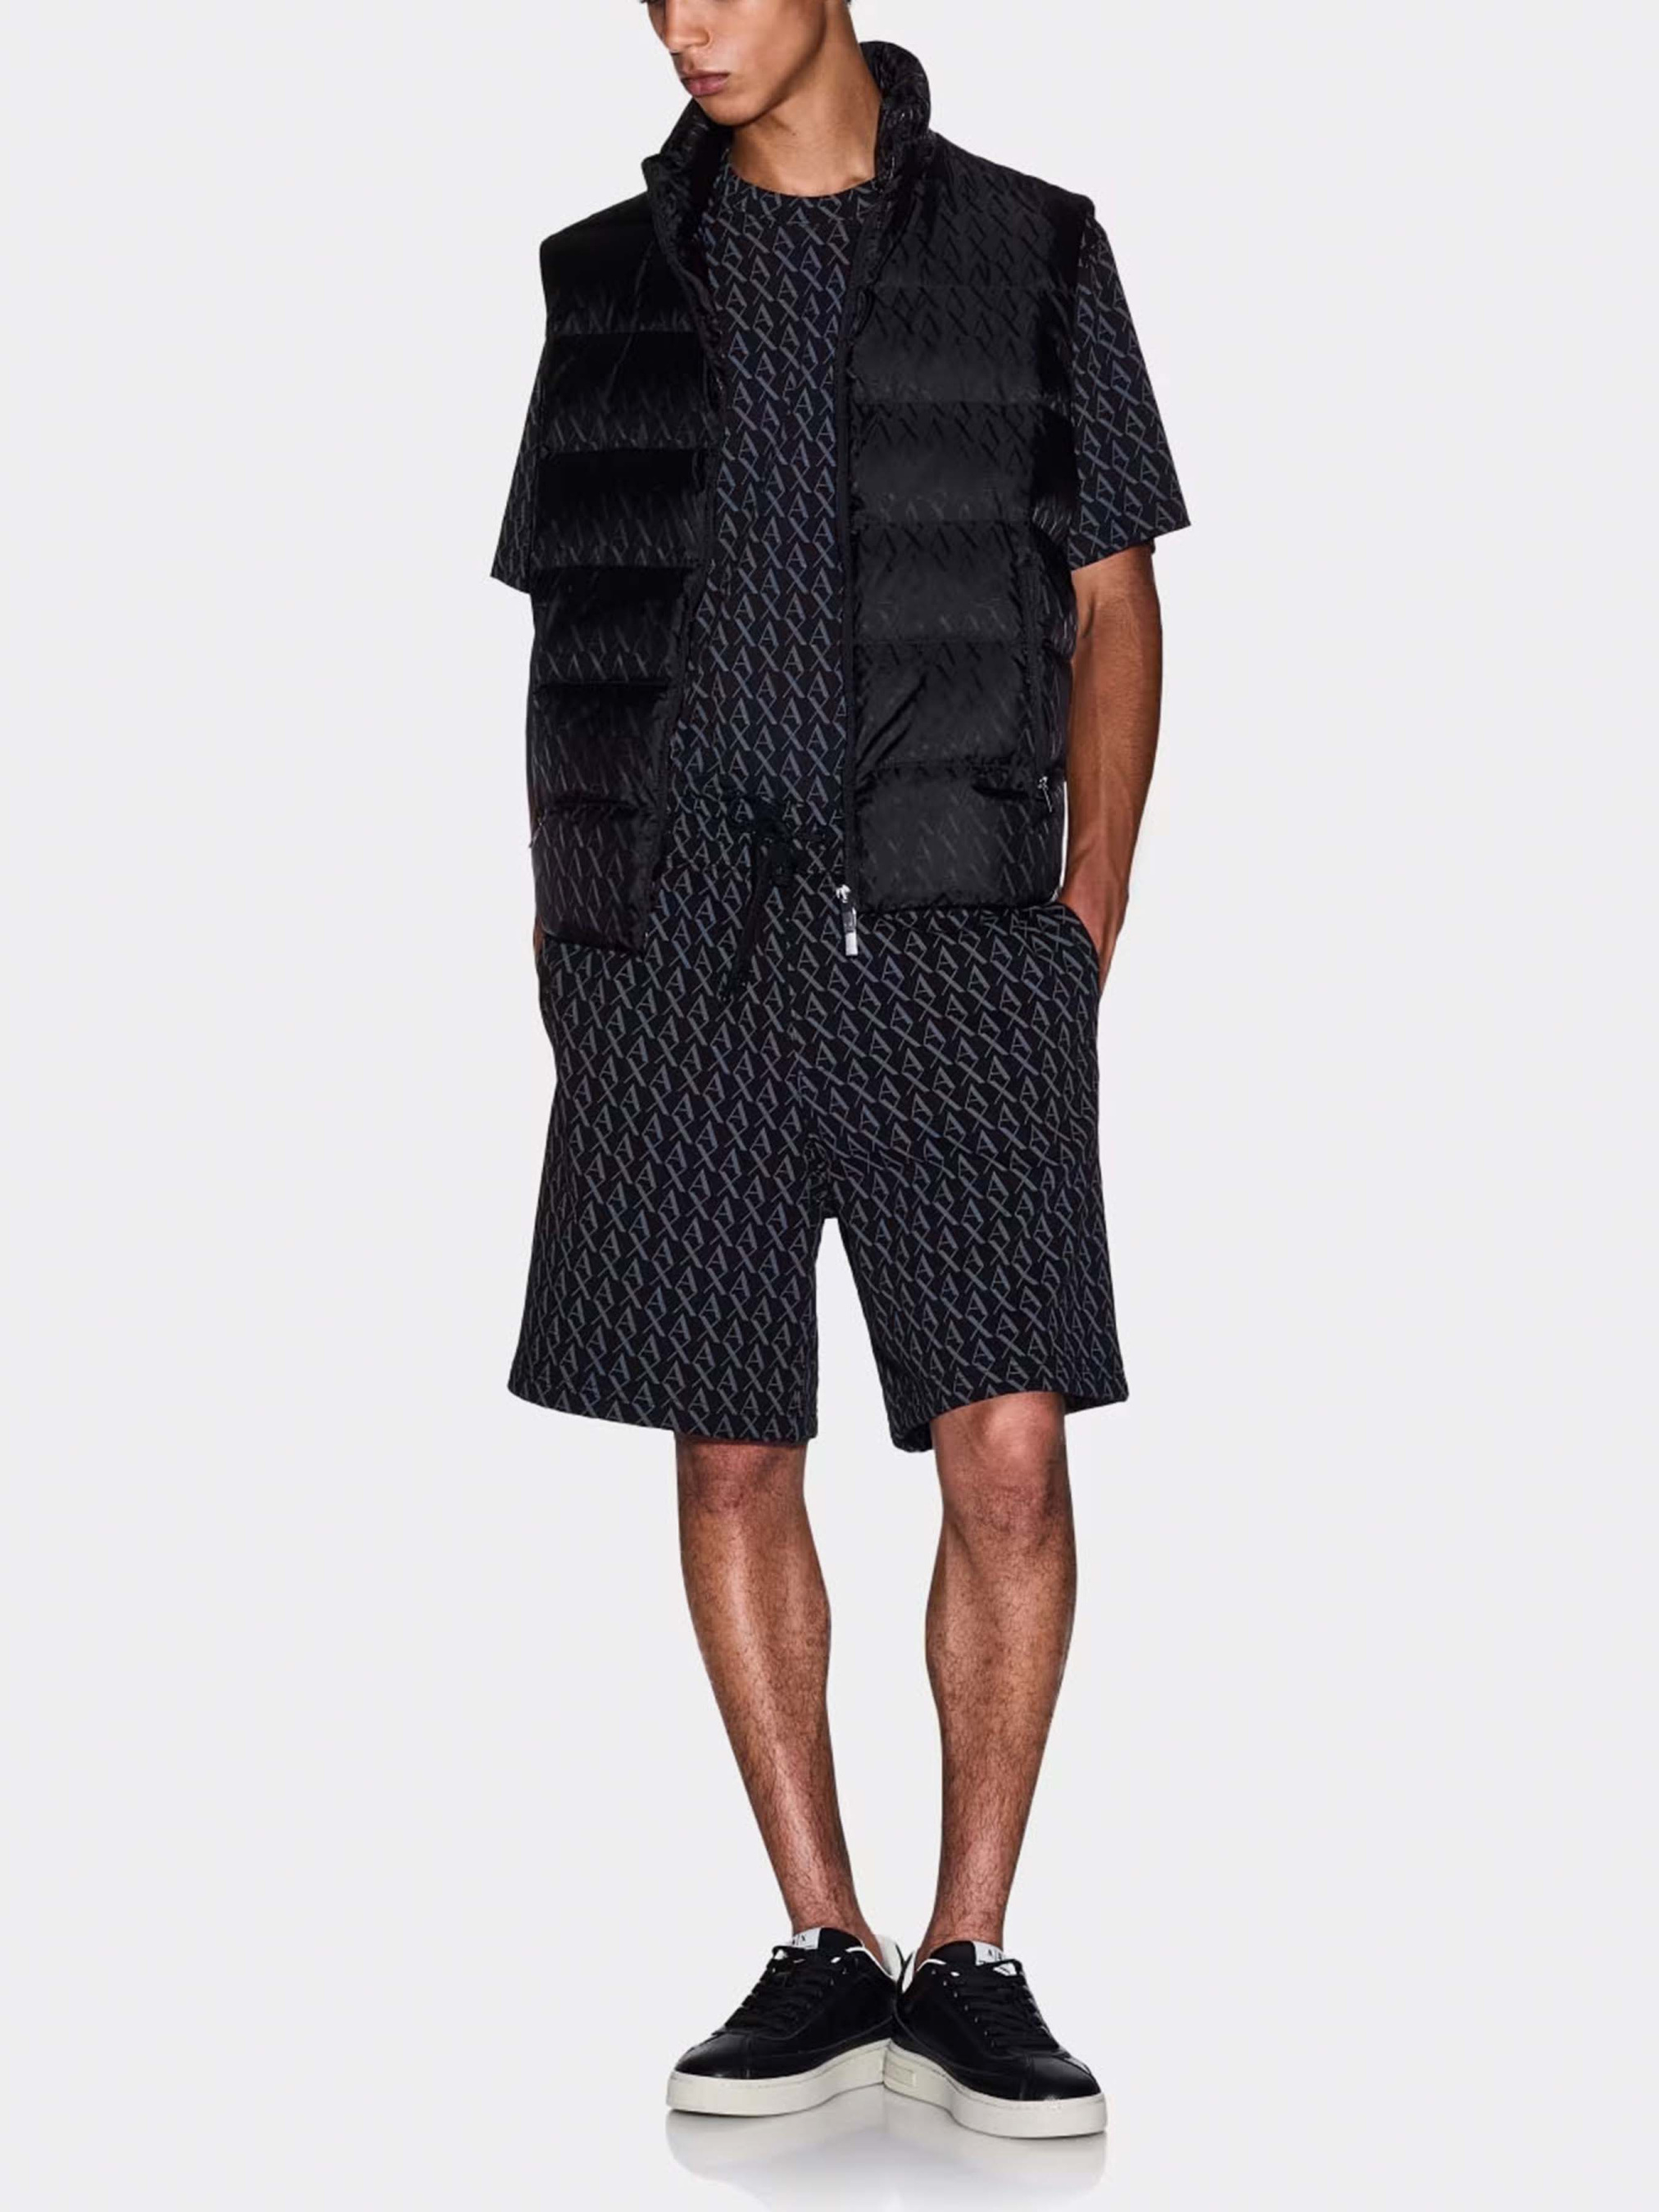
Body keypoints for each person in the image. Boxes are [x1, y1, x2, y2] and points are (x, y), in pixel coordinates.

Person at [490, 6, 1187, 2141]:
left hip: (959, 934)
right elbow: (574, 624)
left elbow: (1115, 596)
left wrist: (1082, 915)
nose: (686, 25)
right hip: (683, 950)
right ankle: (822, 1939)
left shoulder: (1034, 248)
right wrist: (575, 933)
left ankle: (969, 1955)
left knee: (1008, 1452)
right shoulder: (603, 279)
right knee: (727, 1446)